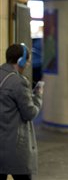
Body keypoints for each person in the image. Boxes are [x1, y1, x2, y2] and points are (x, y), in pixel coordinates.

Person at [0, 43, 44, 180]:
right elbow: (30, 113)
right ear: (21, 61)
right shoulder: (18, 82)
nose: (29, 64)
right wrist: (38, 95)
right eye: (28, 61)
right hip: (14, 146)